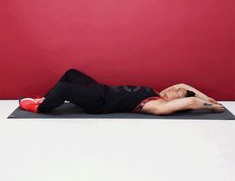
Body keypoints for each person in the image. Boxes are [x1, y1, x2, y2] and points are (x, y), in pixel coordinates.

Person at [19, 68, 225, 115]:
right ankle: (48, 97)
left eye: (178, 92)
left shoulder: (156, 105)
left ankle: (41, 107)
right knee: (71, 73)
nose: (176, 87)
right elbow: (185, 85)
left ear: (177, 103)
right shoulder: (158, 92)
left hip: (100, 102)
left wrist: (212, 107)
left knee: (63, 88)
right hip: (101, 89)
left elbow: (190, 101)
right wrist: (208, 96)